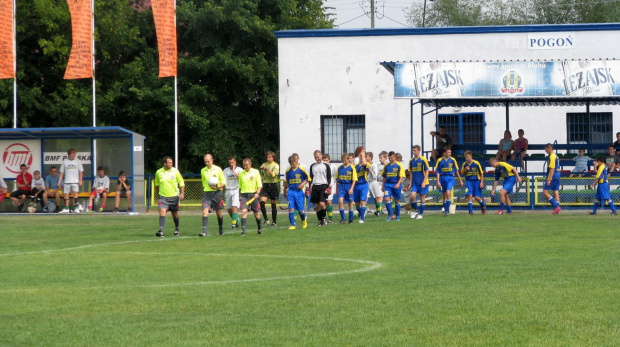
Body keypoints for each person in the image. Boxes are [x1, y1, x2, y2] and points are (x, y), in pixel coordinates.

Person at [154, 156, 185, 237]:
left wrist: (182, 192)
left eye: (172, 162)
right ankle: (161, 231)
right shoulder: (158, 172)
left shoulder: (175, 171)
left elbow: (181, 182)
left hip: (174, 197)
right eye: (170, 162)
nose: (172, 164)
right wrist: (159, 194)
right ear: (165, 163)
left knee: (174, 214)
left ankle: (177, 229)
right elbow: (157, 184)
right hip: (163, 197)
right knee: (162, 211)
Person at [199, 153, 226, 237]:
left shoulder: (218, 169)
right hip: (207, 193)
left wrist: (217, 187)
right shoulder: (203, 170)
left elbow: (223, 182)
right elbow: (203, 182)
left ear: (212, 160)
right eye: (205, 162)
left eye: (208, 161)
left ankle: (220, 228)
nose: (207, 163)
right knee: (204, 211)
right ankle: (204, 231)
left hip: (217, 193)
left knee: (218, 212)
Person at [283, 155, 310, 230]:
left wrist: (302, 184)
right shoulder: (288, 171)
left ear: (296, 162)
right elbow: (286, 182)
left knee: (300, 210)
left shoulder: (301, 169)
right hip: (291, 191)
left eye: (293, 164)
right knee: (291, 208)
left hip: (299, 192)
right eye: (291, 164)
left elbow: (308, 178)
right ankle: (292, 224)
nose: (292, 165)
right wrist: (284, 192)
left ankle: (304, 220)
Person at [238, 158, 263, 236]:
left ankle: (259, 228)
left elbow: (259, 184)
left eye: (247, 165)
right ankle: (244, 231)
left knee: (256, 213)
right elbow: (240, 186)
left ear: (250, 164)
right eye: (244, 165)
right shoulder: (241, 173)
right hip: (244, 195)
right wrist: (239, 195)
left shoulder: (255, 172)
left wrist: (257, 193)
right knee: (243, 212)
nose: (245, 167)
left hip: (253, 195)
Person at [435, 149, 464, 216]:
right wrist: (438, 181)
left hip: (450, 178)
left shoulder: (453, 160)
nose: (450, 153)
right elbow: (437, 171)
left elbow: (456, 171)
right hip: (442, 178)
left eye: (450, 152)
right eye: (448, 152)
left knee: (448, 193)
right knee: (444, 195)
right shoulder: (439, 160)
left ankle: (447, 211)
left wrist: (460, 180)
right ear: (444, 153)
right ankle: (445, 210)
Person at [309, 150, 332, 226]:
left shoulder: (326, 165)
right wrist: (309, 186)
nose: (317, 158)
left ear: (321, 156)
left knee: (322, 203)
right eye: (315, 157)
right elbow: (311, 177)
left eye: (318, 157)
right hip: (315, 186)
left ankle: (324, 219)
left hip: (323, 186)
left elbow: (329, 176)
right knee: (317, 205)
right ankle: (319, 221)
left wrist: (328, 186)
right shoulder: (312, 166)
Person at [381, 151, 406, 221]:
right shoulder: (386, 166)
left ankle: (397, 216)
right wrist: (383, 185)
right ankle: (391, 215)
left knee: (397, 200)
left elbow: (401, 176)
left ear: (394, 157)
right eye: (389, 158)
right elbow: (384, 176)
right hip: (388, 185)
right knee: (386, 198)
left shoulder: (399, 165)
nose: (390, 159)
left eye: (391, 158)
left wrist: (398, 184)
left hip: (396, 184)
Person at [58, 148, 84, 213]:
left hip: (75, 181)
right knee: (66, 194)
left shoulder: (78, 161)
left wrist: (80, 180)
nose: (74, 155)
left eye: (75, 153)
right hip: (67, 181)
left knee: (75, 194)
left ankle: (76, 208)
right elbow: (61, 172)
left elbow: (81, 171)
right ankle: (66, 208)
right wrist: (59, 181)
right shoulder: (65, 161)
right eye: (73, 153)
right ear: (69, 154)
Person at [407, 145, 430, 219]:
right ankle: (416, 210)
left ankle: (421, 214)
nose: (413, 152)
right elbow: (410, 172)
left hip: (423, 182)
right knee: (412, 196)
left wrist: (424, 181)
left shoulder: (423, 159)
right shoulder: (411, 160)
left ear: (419, 151)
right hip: (415, 183)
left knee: (422, 197)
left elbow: (427, 171)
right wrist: (410, 183)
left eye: (415, 150)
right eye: (413, 150)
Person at [461, 150, 487, 215]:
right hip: (469, 181)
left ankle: (483, 205)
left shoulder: (476, 163)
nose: (466, 159)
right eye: (465, 157)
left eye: (467, 157)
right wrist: (465, 170)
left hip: (476, 181)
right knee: (469, 195)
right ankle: (470, 212)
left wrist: (481, 182)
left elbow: (481, 173)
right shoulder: (464, 164)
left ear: (471, 157)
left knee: (476, 197)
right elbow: (463, 173)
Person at [259, 151, 280, 227]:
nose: (268, 158)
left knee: (273, 204)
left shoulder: (275, 165)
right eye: (267, 157)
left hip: (273, 185)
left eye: (270, 157)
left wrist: (267, 169)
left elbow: (273, 175)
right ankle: (266, 220)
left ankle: (274, 222)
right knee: (262, 203)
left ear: (273, 158)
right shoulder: (264, 164)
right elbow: (261, 175)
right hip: (265, 185)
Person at [336, 153, 358, 224]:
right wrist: (336, 189)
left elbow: (354, 179)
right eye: (343, 161)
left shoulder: (352, 167)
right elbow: (337, 179)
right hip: (341, 186)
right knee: (340, 201)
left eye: (345, 160)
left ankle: (350, 219)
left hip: (349, 186)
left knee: (350, 203)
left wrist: (351, 188)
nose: (344, 162)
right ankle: (343, 218)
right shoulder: (339, 168)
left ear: (349, 160)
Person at [223, 156, 243, 229]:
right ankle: (236, 220)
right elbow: (223, 181)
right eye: (230, 162)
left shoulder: (240, 170)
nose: (231, 164)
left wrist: (234, 171)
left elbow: (241, 178)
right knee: (229, 209)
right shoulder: (225, 171)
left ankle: (233, 225)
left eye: (232, 162)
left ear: (235, 162)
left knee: (234, 206)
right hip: (228, 190)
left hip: (236, 190)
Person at [543, 143, 562, 214]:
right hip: (557, 175)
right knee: (555, 191)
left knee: (545, 192)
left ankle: (556, 206)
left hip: (553, 176)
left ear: (549, 148)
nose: (545, 151)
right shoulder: (556, 156)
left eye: (546, 149)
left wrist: (549, 179)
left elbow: (552, 168)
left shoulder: (552, 157)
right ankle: (557, 209)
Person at [354, 149, 370, 223]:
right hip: (356, 186)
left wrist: (363, 155)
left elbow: (365, 164)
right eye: (360, 156)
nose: (361, 157)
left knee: (362, 201)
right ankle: (362, 212)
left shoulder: (366, 164)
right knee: (357, 204)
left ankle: (362, 219)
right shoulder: (355, 166)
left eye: (362, 156)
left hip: (364, 184)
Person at [366, 151, 384, 217]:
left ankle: (379, 211)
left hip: (373, 182)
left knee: (376, 197)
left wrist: (370, 171)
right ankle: (364, 211)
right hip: (367, 182)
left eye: (366, 156)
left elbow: (375, 175)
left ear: (370, 157)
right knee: (365, 197)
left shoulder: (374, 165)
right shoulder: (365, 165)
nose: (365, 158)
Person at [322, 154, 337, 223]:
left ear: (329, 160)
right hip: (323, 186)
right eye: (324, 160)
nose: (325, 161)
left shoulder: (333, 167)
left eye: (326, 160)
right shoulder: (321, 167)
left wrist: (333, 185)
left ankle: (330, 218)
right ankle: (324, 217)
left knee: (329, 201)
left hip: (330, 186)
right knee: (323, 202)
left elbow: (335, 177)